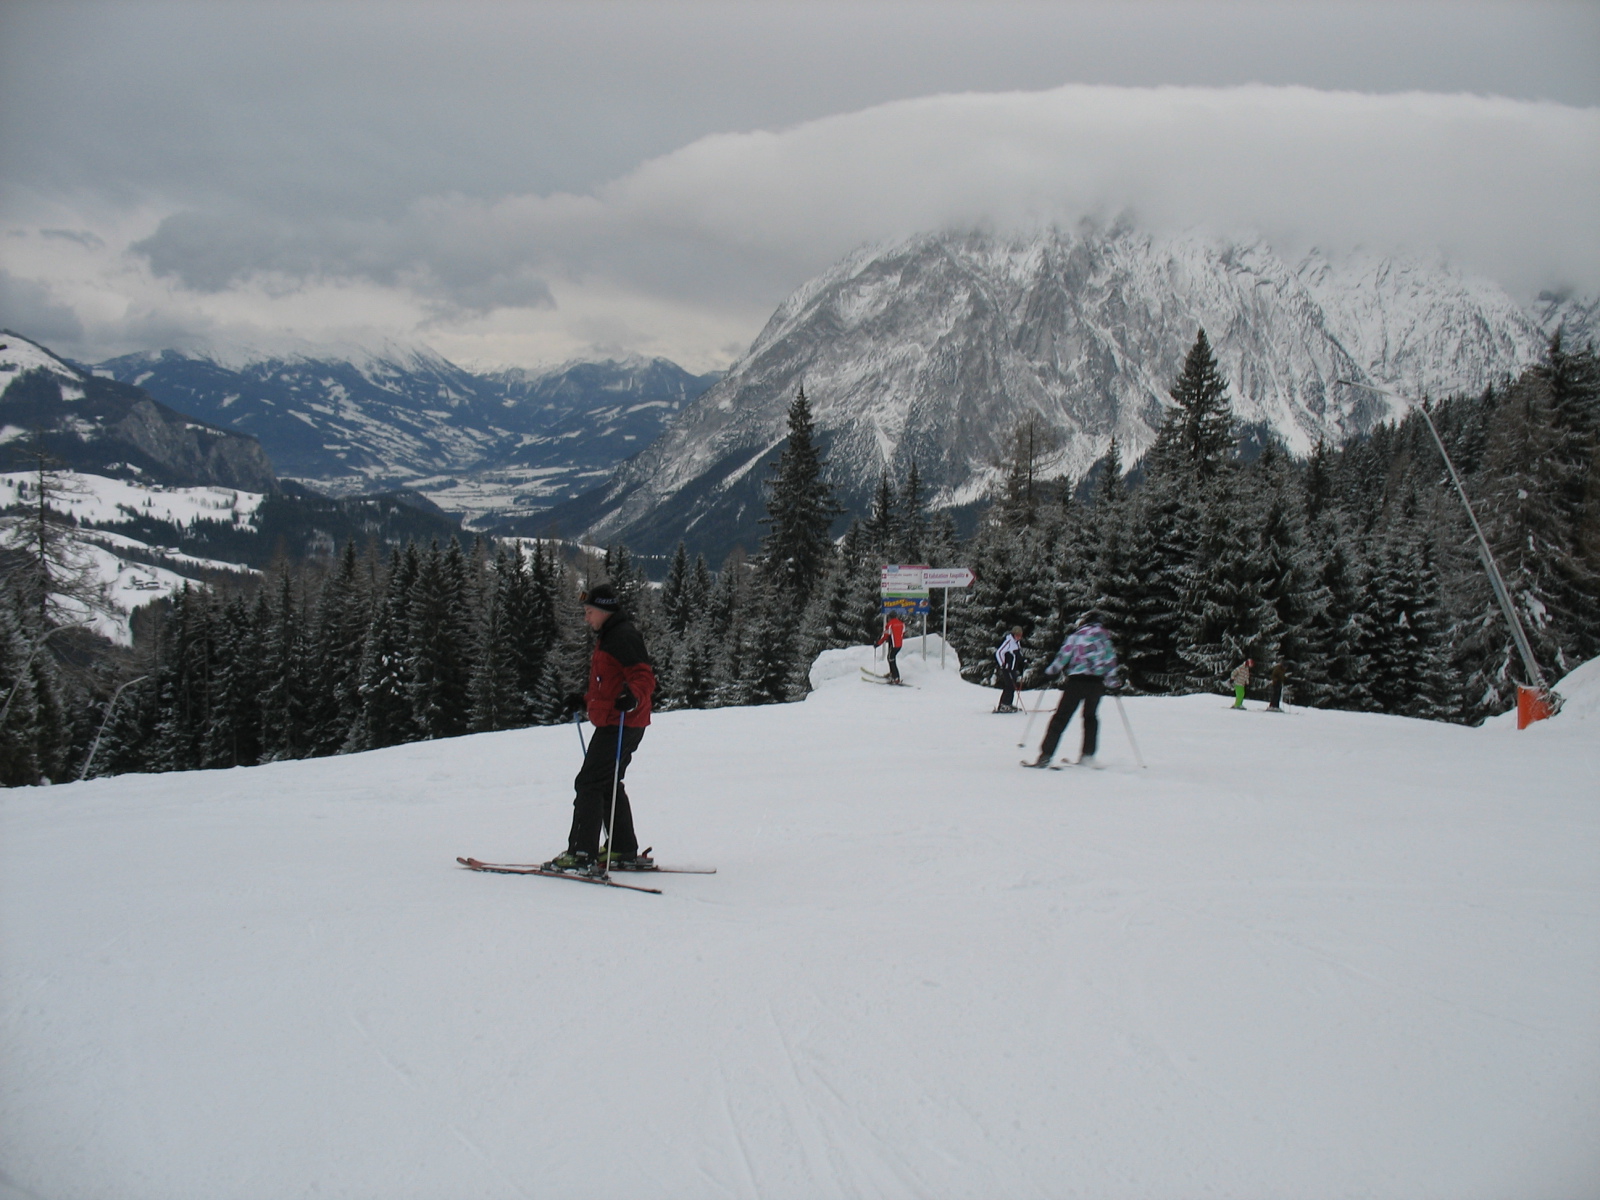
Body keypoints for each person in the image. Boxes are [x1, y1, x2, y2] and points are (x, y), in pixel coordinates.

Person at [546, 583, 657, 875]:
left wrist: (633, 697)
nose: (586, 618)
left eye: (589, 611)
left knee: (590, 783)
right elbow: (608, 686)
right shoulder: (610, 636)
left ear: (604, 610)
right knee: (607, 783)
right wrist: (584, 701)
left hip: (621, 723)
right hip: (619, 721)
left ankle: (581, 853)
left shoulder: (621, 636)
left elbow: (644, 677)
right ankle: (621, 848)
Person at [1026, 612, 1121, 768]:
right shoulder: (1105, 638)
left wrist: (1050, 672)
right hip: (1096, 684)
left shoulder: (1077, 636)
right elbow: (1110, 662)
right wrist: (1113, 684)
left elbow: (1063, 656)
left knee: (1061, 717)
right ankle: (1088, 755)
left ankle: (1046, 755)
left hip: (1076, 682)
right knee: (1090, 718)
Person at [994, 626, 1024, 712]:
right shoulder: (1009, 641)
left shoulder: (1016, 643)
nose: (1019, 637)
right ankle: (1003, 705)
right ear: (1013, 634)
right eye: (1017, 635)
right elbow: (999, 652)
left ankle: (1008, 704)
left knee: (1012, 685)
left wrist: (1023, 660)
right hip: (1007, 668)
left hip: (1013, 668)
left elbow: (1017, 654)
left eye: (1020, 635)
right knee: (1009, 685)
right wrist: (1003, 664)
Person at [876, 611, 907, 684]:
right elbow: (903, 633)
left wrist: (878, 643)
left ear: (889, 617)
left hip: (893, 644)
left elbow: (885, 636)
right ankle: (892, 674)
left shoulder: (889, 624)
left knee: (891, 659)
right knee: (891, 658)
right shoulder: (902, 623)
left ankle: (896, 677)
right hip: (899, 644)